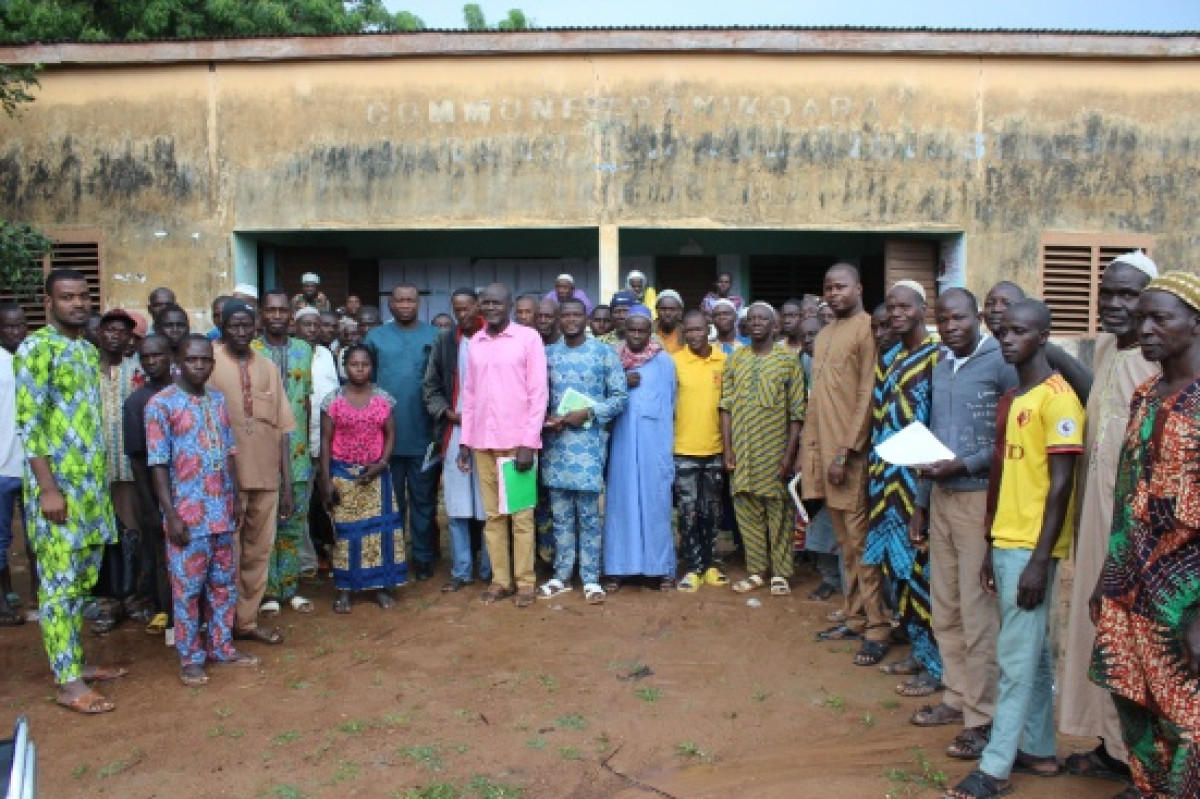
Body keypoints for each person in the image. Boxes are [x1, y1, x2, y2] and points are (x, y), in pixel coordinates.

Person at [944, 299, 1085, 799]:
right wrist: (988, 545)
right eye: (1003, 332)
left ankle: (995, 768)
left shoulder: (1058, 400)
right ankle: (1040, 751)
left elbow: (1061, 487)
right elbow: (1007, 481)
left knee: (1015, 661)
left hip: (1031, 549)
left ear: (1043, 337)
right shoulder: (1018, 396)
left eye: (1019, 332)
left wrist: (1040, 561)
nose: (1007, 340)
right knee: (1034, 654)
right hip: (1005, 540)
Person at [1090, 271, 1200, 799]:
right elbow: (1126, 497)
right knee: (1135, 704)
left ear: (1195, 323)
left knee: (1188, 723)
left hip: (1184, 599)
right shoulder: (1146, 393)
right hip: (1129, 584)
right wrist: (1105, 579)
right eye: (1142, 319)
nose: (1147, 329)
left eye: (1161, 318)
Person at [1059, 252, 1158, 788]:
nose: (1116, 305)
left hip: (1135, 530)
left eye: (1129, 294)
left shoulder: (1161, 362)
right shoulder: (1104, 349)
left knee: (1131, 638)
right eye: (1109, 293)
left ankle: (1133, 755)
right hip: (1092, 518)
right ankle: (1106, 742)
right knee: (1095, 631)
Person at [908, 288, 1016, 758]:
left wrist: (964, 466)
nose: (950, 327)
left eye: (959, 319)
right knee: (946, 606)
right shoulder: (941, 363)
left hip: (978, 503)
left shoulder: (1000, 363)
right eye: (943, 320)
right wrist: (920, 501)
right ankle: (955, 696)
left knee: (977, 613)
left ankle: (983, 715)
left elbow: (1007, 441)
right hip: (943, 501)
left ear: (977, 318)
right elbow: (933, 436)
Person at [16, 269, 126, 714]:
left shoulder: (84, 349)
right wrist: (48, 489)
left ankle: (74, 662)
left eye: (83, 297)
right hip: (57, 492)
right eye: (67, 298)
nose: (78, 304)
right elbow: (30, 425)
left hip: (90, 493)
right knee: (59, 588)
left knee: (80, 583)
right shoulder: (35, 349)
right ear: (49, 303)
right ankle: (66, 682)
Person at [146, 335, 260, 685]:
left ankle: (222, 647)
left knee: (222, 585)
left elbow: (227, 452)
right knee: (187, 589)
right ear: (178, 360)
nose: (199, 366)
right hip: (187, 516)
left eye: (205, 360)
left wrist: (234, 497)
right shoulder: (161, 405)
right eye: (192, 359)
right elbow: (158, 465)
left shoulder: (217, 400)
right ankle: (190, 656)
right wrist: (172, 515)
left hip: (221, 511)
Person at [801, 264, 892, 667]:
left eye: (840, 287)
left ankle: (878, 627)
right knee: (844, 545)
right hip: (823, 455)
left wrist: (845, 452)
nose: (833, 293)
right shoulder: (823, 335)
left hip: (849, 459)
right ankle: (855, 618)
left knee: (860, 544)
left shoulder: (866, 329)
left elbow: (867, 394)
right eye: (828, 288)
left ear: (858, 287)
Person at [864, 282, 943, 696]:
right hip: (885, 479)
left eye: (903, 306)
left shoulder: (937, 358)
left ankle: (936, 664)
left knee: (922, 573)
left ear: (922, 309)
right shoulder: (892, 357)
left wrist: (925, 495)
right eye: (891, 306)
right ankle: (916, 647)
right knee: (897, 573)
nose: (896, 313)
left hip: (917, 483)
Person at [207, 300, 294, 646]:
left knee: (259, 551)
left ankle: (245, 620)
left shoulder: (268, 367)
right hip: (223, 480)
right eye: (234, 326)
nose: (241, 332)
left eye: (246, 325)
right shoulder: (208, 363)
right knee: (227, 553)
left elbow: (284, 428)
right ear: (223, 328)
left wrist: (286, 483)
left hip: (266, 476)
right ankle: (219, 623)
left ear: (255, 327)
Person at [458, 283, 547, 608]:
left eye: (497, 302)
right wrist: (465, 441)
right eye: (486, 303)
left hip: (517, 445)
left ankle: (525, 583)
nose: (491, 307)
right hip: (483, 442)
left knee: (521, 516)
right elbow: (469, 394)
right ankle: (501, 581)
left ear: (509, 305)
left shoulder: (528, 339)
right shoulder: (476, 343)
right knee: (493, 517)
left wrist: (529, 441)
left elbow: (538, 394)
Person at [539, 298, 627, 604]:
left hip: (589, 449)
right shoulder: (547, 355)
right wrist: (546, 419)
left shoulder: (604, 353)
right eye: (566, 315)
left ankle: (590, 577)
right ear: (559, 319)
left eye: (578, 314)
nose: (572, 319)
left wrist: (588, 412)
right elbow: (537, 396)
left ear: (586, 318)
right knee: (561, 516)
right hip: (556, 447)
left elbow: (619, 397)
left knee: (589, 516)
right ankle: (562, 575)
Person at [720, 302, 805, 596]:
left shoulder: (787, 361)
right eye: (752, 319)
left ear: (774, 325)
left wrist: (789, 455)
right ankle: (757, 570)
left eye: (762, 319)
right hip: (742, 451)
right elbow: (726, 407)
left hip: (775, 452)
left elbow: (797, 412)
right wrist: (727, 449)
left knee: (779, 514)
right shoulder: (736, 359)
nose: (756, 323)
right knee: (746, 511)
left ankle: (781, 573)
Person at [320, 345, 406, 613]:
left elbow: (391, 434)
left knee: (379, 533)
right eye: (354, 364)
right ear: (344, 366)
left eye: (365, 364)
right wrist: (325, 480)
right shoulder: (332, 400)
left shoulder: (384, 399)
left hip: (376, 476)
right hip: (343, 475)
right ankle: (345, 590)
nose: (360, 369)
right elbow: (325, 441)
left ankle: (380, 587)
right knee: (345, 535)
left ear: (372, 367)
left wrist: (382, 464)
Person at [365, 284, 440, 582]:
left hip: (424, 436)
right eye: (400, 300)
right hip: (386, 440)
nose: (406, 305)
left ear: (419, 303)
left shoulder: (434, 337)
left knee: (424, 501)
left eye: (411, 300)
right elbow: (363, 382)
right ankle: (393, 558)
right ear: (390, 305)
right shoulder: (375, 338)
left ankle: (423, 558)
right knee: (392, 503)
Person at [604, 308, 677, 591]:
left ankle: (660, 569)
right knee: (621, 503)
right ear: (624, 330)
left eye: (641, 331)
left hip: (653, 445)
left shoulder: (664, 362)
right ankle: (618, 567)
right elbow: (599, 396)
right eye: (631, 330)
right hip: (620, 444)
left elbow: (672, 405)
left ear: (651, 332)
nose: (636, 335)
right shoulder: (612, 359)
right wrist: (621, 379)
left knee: (655, 503)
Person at [424, 288, 491, 592]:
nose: (462, 314)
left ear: (478, 306)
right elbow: (431, 385)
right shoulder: (446, 341)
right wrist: (447, 413)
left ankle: (491, 570)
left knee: (490, 504)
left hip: (492, 432)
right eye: (457, 309)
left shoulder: (494, 338)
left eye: (467, 308)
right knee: (457, 503)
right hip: (456, 431)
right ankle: (462, 570)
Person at [252, 289, 315, 615]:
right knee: (265, 526)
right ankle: (268, 591)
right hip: (261, 454)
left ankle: (290, 588)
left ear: (291, 315)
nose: (276, 316)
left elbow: (305, 400)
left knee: (292, 524)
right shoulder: (250, 351)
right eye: (270, 310)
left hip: (298, 454)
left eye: (282, 311)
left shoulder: (305, 350)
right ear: (261, 314)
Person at [672, 310, 729, 592]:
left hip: (715, 449)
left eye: (699, 329)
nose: (694, 335)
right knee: (688, 512)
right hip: (683, 449)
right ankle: (693, 567)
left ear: (709, 330)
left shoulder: (723, 360)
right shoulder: (675, 362)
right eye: (689, 330)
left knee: (712, 511)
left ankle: (711, 565)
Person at [96, 309, 145, 630]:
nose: (116, 336)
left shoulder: (137, 371)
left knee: (132, 534)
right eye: (110, 330)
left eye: (123, 332)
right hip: (94, 471)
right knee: (102, 536)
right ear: (100, 334)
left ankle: (132, 597)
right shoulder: (85, 370)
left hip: (129, 469)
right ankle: (107, 601)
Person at [123, 335, 175, 637]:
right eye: (146, 357)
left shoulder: (188, 394)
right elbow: (139, 464)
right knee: (163, 561)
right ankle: (169, 619)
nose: (152, 362)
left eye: (158, 355)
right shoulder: (136, 403)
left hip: (192, 496)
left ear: (171, 356)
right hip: (157, 496)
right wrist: (152, 509)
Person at [984, 281, 1093, 403]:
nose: (996, 309)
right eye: (989, 304)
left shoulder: (1044, 349)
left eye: (1006, 303)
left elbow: (1087, 386)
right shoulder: (988, 350)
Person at [296, 307, 338, 574]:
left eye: (316, 325)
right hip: (298, 442)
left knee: (329, 500)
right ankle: (306, 562)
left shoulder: (326, 355)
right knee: (301, 504)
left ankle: (337, 554)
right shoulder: (291, 353)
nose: (312, 329)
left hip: (327, 440)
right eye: (306, 325)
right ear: (295, 326)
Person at [0, 304, 27, 625]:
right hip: (2, 468)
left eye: (21, 326)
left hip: (32, 468)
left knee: (38, 539)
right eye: (8, 327)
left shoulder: (30, 360)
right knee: (2, 541)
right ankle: (6, 600)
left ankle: (36, 595)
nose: (16, 332)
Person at [155, 304, 190, 371]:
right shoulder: (149, 360)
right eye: (168, 325)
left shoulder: (198, 358)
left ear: (188, 329)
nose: (175, 330)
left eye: (180, 325)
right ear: (157, 329)